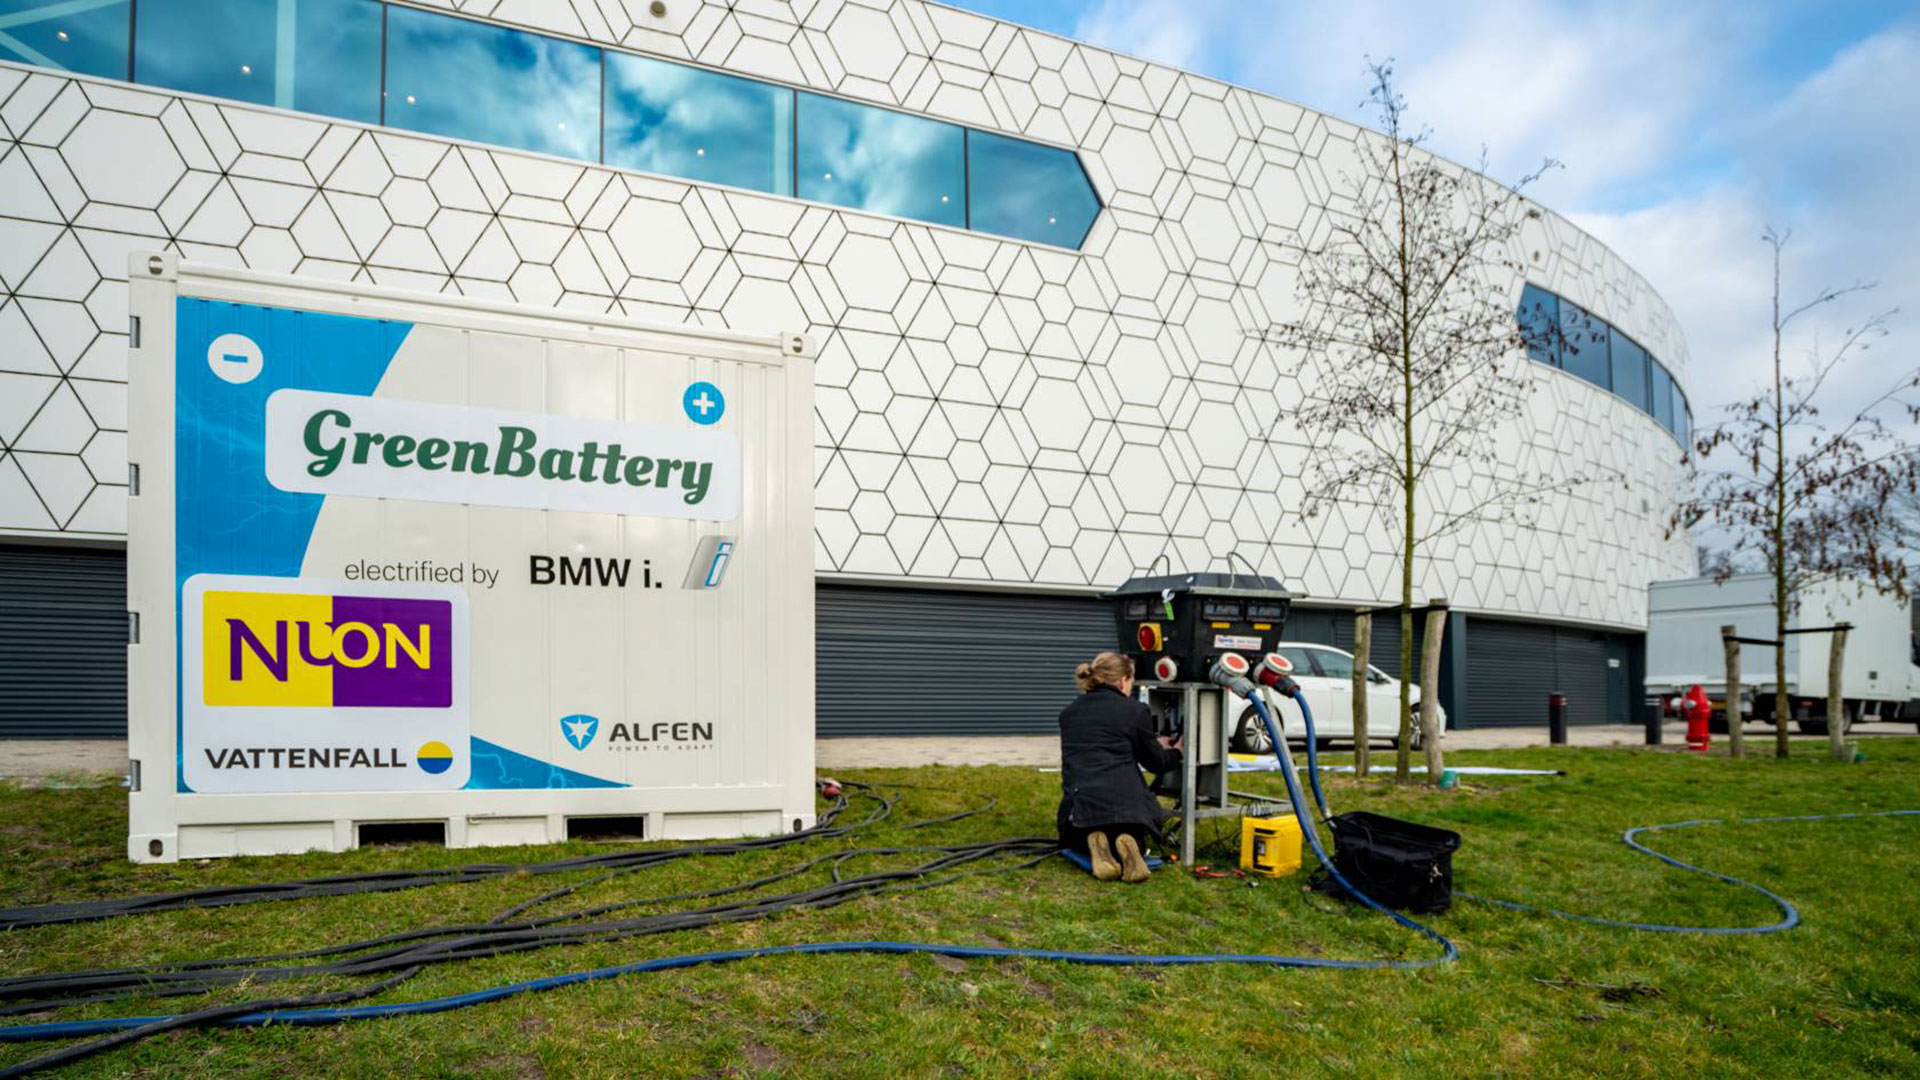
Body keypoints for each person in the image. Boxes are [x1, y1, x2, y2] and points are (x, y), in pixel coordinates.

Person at [1055, 651, 1182, 883]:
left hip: (1081, 810)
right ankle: (1130, 848)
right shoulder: (1134, 711)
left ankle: (1093, 844)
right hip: (1127, 810)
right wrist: (1176, 751)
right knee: (1129, 834)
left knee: (1082, 833)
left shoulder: (1069, 714)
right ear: (1124, 680)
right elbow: (1156, 763)